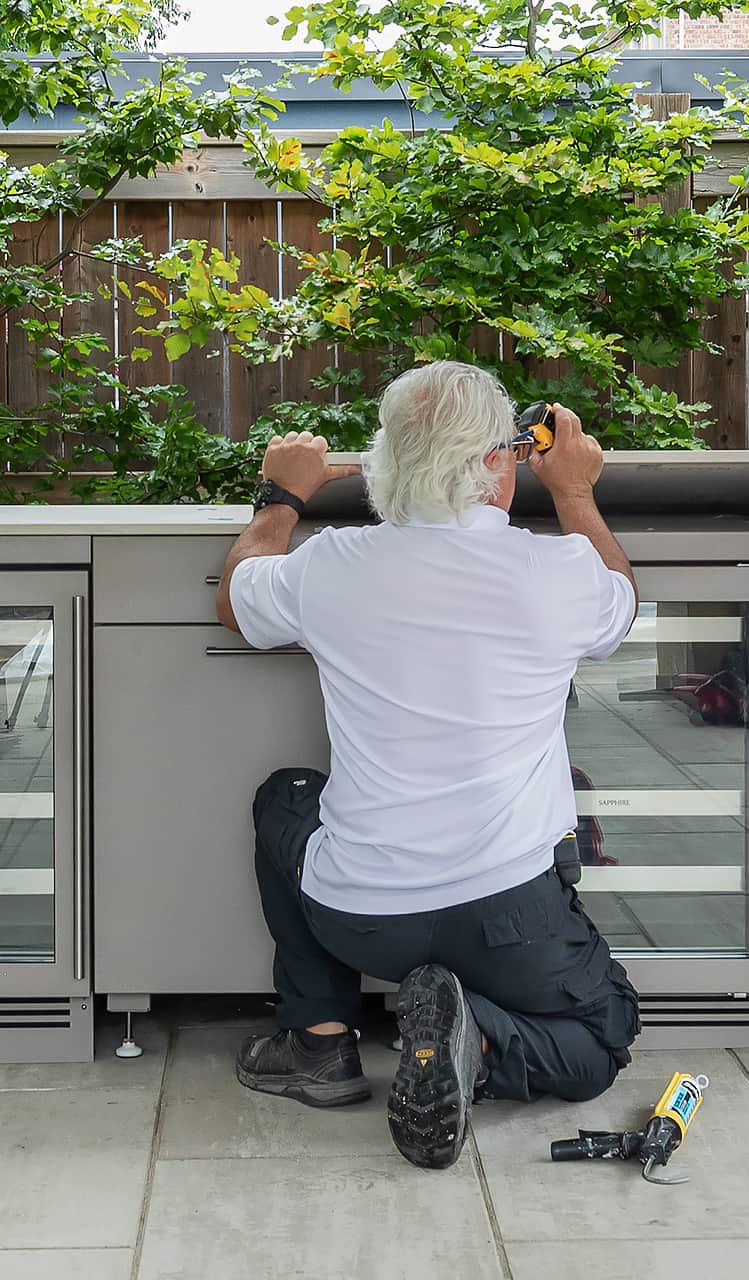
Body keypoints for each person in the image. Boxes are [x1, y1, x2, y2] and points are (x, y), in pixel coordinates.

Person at [216, 360, 642, 1169]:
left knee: (285, 798)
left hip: (362, 920)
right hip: (510, 919)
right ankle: (475, 1037)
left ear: (386, 464)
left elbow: (236, 597)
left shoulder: (332, 564)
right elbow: (619, 598)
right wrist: (577, 493)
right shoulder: (557, 572)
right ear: (496, 464)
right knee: (598, 1041)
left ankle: (320, 1042)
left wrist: (281, 495)